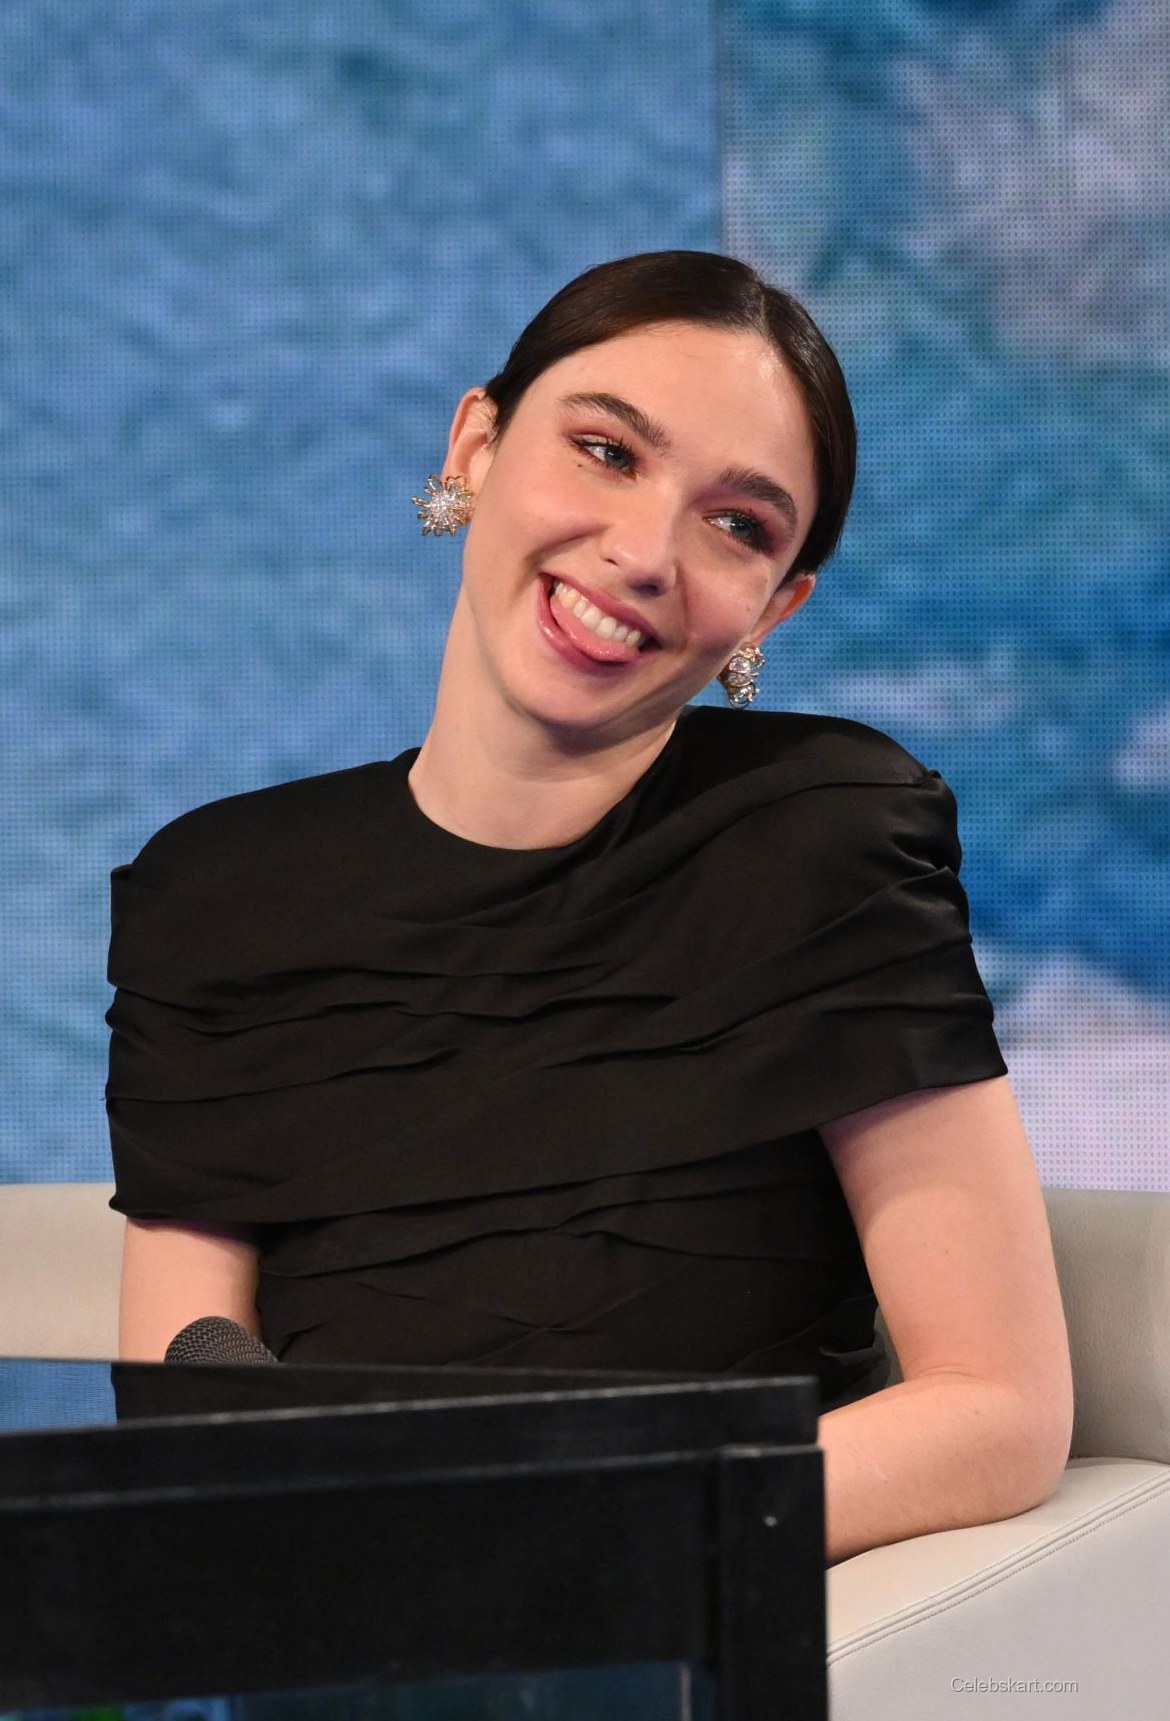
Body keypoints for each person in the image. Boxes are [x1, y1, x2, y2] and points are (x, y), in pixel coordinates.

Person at [107, 250, 1072, 1564]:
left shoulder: (820, 831)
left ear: (775, 608)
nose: (642, 555)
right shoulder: (216, 892)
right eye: (607, 452)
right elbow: (183, 1394)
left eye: (738, 526)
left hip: (675, 1604)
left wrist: (559, 1534)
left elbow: (999, 1408)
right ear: (476, 445)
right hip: (330, 1604)